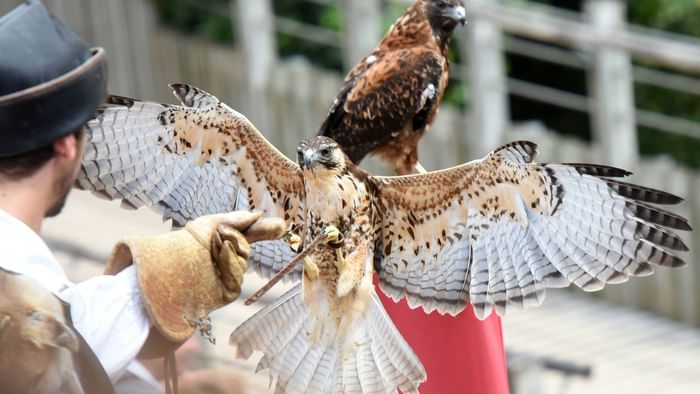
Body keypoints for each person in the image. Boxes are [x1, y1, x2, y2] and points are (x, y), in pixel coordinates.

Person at [0, 1, 285, 393]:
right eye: (91, 126)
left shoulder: (27, 281)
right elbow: (43, 336)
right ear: (68, 145)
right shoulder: (21, 300)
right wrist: (156, 282)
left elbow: (61, 330)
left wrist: (135, 343)